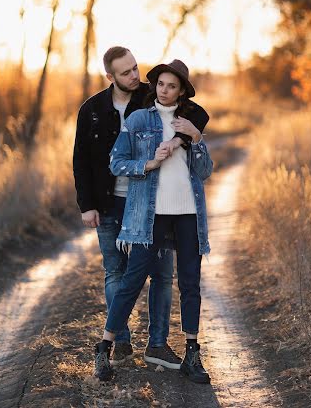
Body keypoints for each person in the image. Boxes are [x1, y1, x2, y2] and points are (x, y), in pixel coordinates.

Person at [73, 47, 209, 369]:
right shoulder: (96, 110)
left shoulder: (148, 99)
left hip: (161, 207)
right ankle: (116, 342)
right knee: (120, 273)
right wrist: (87, 205)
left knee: (168, 277)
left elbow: (199, 115)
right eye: (126, 72)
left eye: (135, 69)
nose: (135, 76)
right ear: (111, 77)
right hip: (116, 203)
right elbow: (86, 160)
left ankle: (160, 344)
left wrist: (188, 139)